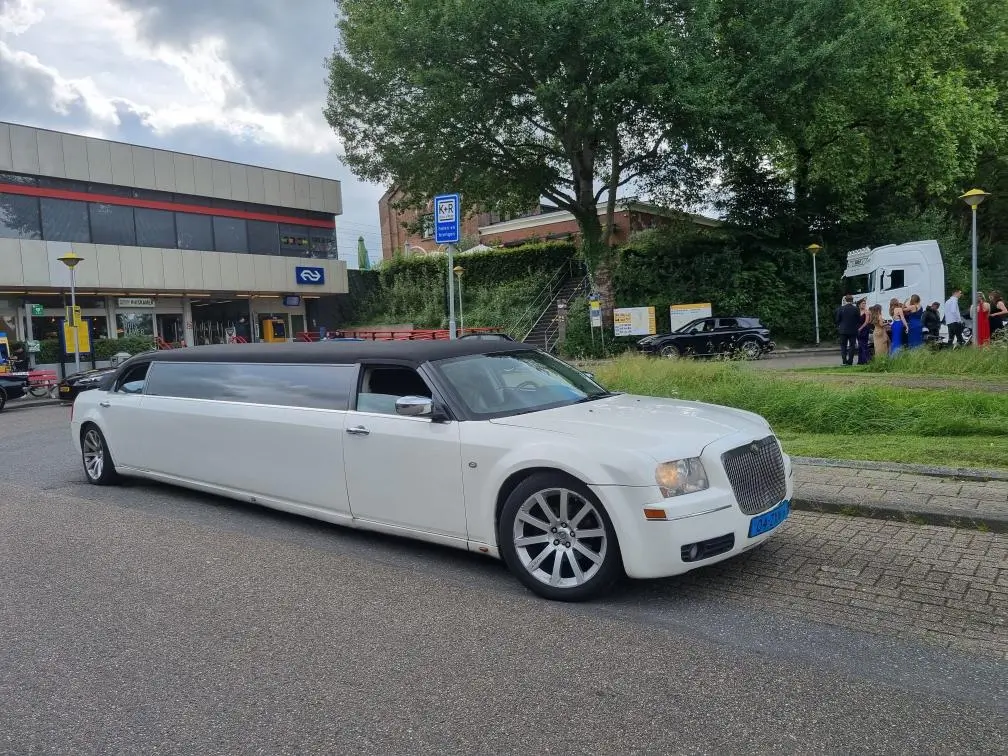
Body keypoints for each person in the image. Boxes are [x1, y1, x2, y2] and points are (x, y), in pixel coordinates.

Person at [834, 294, 860, 366]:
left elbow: (837, 320)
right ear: (852, 300)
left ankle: (844, 361)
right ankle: (850, 361)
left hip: (843, 330)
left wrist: (840, 325)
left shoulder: (841, 309)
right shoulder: (856, 309)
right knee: (852, 346)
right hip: (853, 330)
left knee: (843, 346)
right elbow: (858, 320)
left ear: (845, 300)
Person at [856, 298, 871, 364]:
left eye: (865, 303)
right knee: (859, 345)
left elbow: (867, 321)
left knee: (864, 344)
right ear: (859, 305)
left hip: (864, 329)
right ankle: (860, 361)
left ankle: (866, 360)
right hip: (857, 329)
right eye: (862, 303)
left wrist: (860, 328)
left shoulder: (866, 311)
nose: (864, 305)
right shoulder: (857, 311)